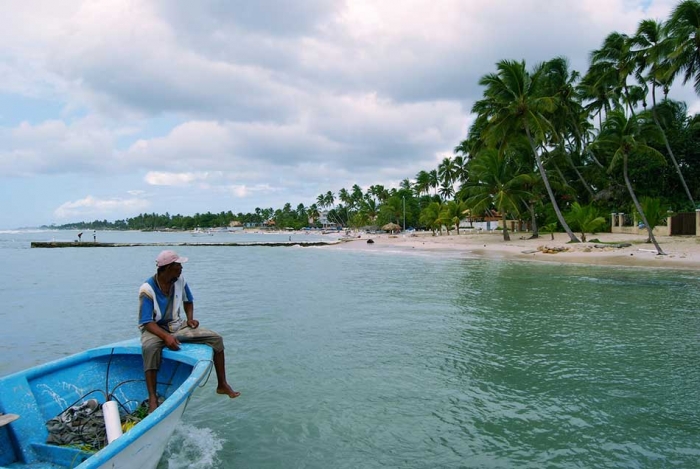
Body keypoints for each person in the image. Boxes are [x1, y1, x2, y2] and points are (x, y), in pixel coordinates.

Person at [138, 250, 240, 413]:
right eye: (178, 266)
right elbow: (146, 322)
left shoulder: (179, 280)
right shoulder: (147, 289)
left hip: (176, 325)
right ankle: (152, 397)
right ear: (168, 268)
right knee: (150, 348)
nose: (181, 269)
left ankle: (222, 384)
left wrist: (190, 318)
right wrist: (165, 337)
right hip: (154, 328)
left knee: (216, 339)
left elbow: (188, 301)